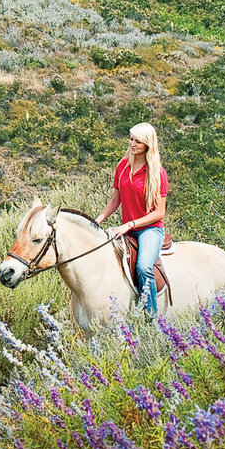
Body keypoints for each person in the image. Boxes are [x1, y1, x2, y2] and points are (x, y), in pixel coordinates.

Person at [95, 122, 168, 316]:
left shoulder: (157, 173)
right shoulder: (122, 166)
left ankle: (151, 320)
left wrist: (130, 224)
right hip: (126, 228)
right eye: (131, 139)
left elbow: (159, 213)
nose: (132, 144)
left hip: (149, 229)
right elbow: (114, 201)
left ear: (147, 145)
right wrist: (96, 222)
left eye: (138, 141)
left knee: (143, 267)